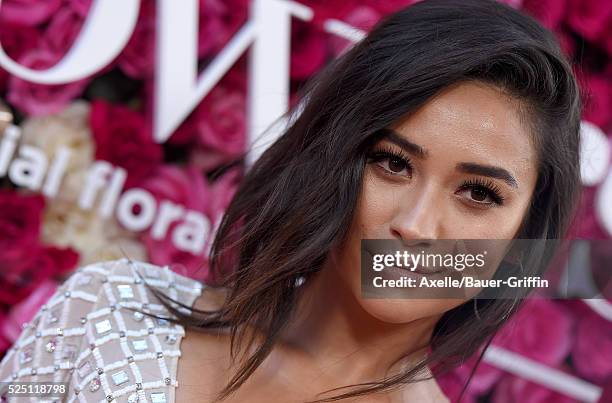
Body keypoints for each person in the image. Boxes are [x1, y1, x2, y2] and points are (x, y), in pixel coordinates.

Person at [0, 0, 582, 401]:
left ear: (523, 235)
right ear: (332, 153)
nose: (415, 224)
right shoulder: (103, 315)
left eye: (478, 193)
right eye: (392, 163)